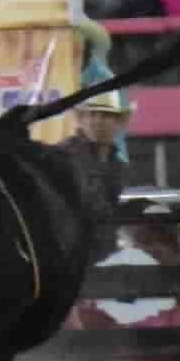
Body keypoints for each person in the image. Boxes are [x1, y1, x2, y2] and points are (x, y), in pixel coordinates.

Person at [57, 90, 128, 261]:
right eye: (91, 114)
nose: (97, 121)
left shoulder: (117, 163)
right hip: (73, 254)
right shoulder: (65, 156)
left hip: (103, 253)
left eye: (105, 115)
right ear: (81, 120)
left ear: (117, 122)